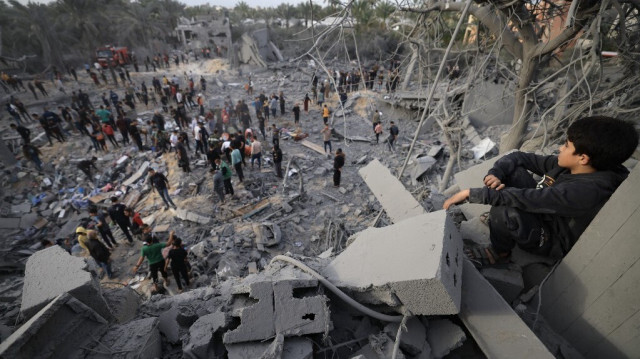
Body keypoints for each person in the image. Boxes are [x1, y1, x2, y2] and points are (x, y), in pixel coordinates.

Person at [443, 116, 639, 262]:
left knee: (505, 210)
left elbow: (530, 199)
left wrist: (472, 194)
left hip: (552, 237)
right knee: (514, 172)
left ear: (583, 158)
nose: (561, 149)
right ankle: (503, 224)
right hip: (546, 210)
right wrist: (495, 174)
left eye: (566, 145)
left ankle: (499, 252)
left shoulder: (587, 192)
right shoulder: (574, 165)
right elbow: (519, 157)